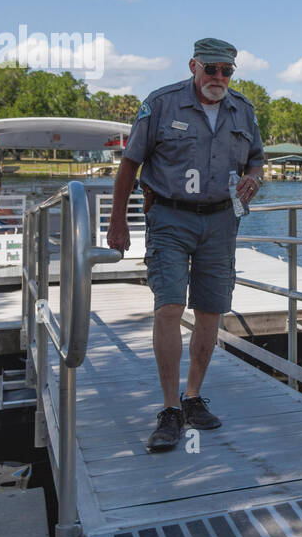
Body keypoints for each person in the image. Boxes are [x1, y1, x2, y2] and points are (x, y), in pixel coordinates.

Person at [106, 38, 264, 452]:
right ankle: (170, 409)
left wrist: (255, 177)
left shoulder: (243, 110)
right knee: (170, 306)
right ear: (194, 65)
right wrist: (118, 219)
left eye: (226, 71)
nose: (218, 78)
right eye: (211, 69)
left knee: (210, 311)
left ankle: (194, 397)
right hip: (170, 218)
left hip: (221, 221)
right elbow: (130, 164)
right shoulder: (161, 104)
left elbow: (257, 158)